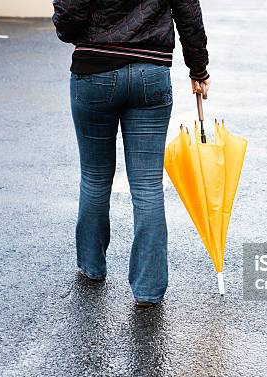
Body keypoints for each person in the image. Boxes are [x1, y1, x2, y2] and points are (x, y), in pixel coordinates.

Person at [52, 0, 211, 308]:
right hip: (151, 73)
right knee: (148, 185)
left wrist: (77, 30)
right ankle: (148, 290)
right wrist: (198, 68)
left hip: (95, 70)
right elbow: (189, 12)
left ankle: (92, 266)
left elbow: (69, 16)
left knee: (95, 177)